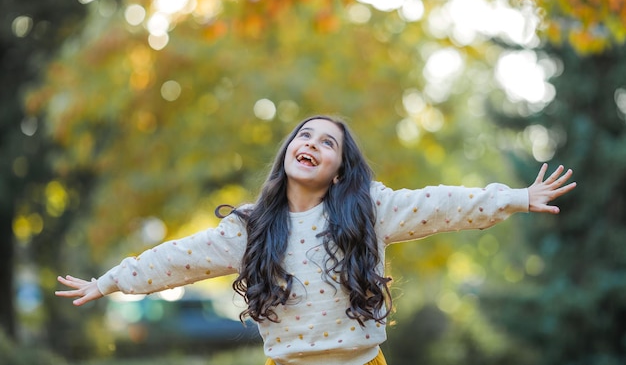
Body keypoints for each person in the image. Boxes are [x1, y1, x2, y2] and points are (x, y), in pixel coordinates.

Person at [56, 115, 576, 365]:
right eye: (305, 135)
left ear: (339, 169)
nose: (311, 143)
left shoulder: (368, 209)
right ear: (289, 151)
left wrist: (513, 197)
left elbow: (439, 204)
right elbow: (179, 258)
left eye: (328, 142)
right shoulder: (250, 227)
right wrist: (111, 282)